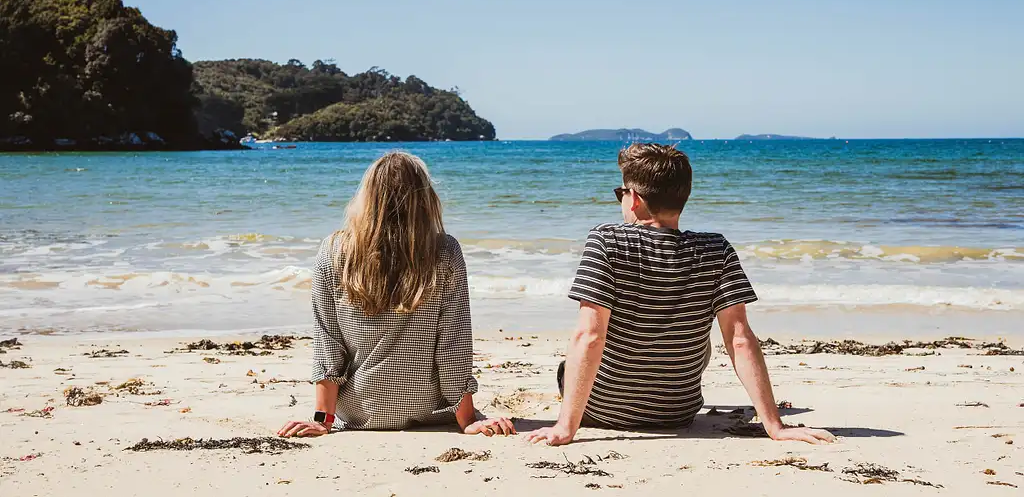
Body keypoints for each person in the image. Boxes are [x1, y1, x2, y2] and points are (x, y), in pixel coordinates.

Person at [525, 143, 835, 447]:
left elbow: (590, 336)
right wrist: (775, 425)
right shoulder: (716, 249)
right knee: (709, 330)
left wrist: (565, 427)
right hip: (676, 412)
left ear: (634, 200)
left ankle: (577, 411)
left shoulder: (606, 240)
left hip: (602, 410)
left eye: (621, 193)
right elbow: (739, 339)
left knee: (571, 361)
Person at [278, 151, 515, 438]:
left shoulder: (333, 250)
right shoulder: (445, 251)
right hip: (427, 408)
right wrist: (467, 420)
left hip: (358, 411)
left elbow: (328, 343)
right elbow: (453, 344)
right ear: (425, 199)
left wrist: (323, 419)